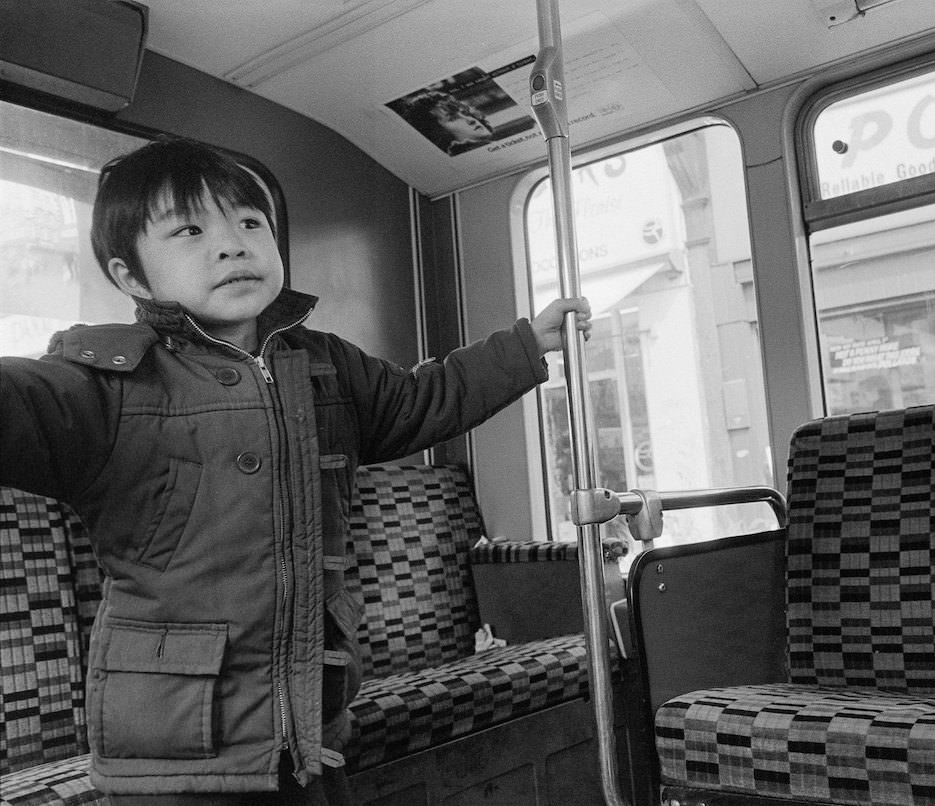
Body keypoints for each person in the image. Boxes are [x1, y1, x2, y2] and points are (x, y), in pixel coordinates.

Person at [0, 136, 591, 805]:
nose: (232, 244)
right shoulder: (106, 386)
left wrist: (521, 348)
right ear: (131, 275)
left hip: (309, 731)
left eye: (250, 223)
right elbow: (21, 407)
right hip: (172, 756)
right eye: (190, 229)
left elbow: (422, 401)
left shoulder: (326, 365)